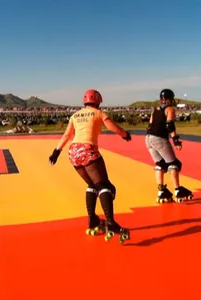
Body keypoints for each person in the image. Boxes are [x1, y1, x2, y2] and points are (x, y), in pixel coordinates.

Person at [49, 89, 132, 243]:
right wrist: (125, 135)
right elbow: (113, 127)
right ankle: (111, 223)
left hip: (73, 152)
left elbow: (67, 135)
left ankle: (93, 219)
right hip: (88, 150)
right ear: (98, 101)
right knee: (104, 185)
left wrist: (56, 152)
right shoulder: (98, 113)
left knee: (91, 185)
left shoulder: (75, 115)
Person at [145, 88, 193, 203]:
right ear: (170, 99)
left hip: (148, 138)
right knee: (173, 163)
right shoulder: (170, 109)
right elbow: (170, 125)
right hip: (159, 139)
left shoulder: (154, 110)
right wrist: (176, 141)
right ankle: (178, 190)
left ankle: (161, 191)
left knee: (160, 164)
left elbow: (150, 124)